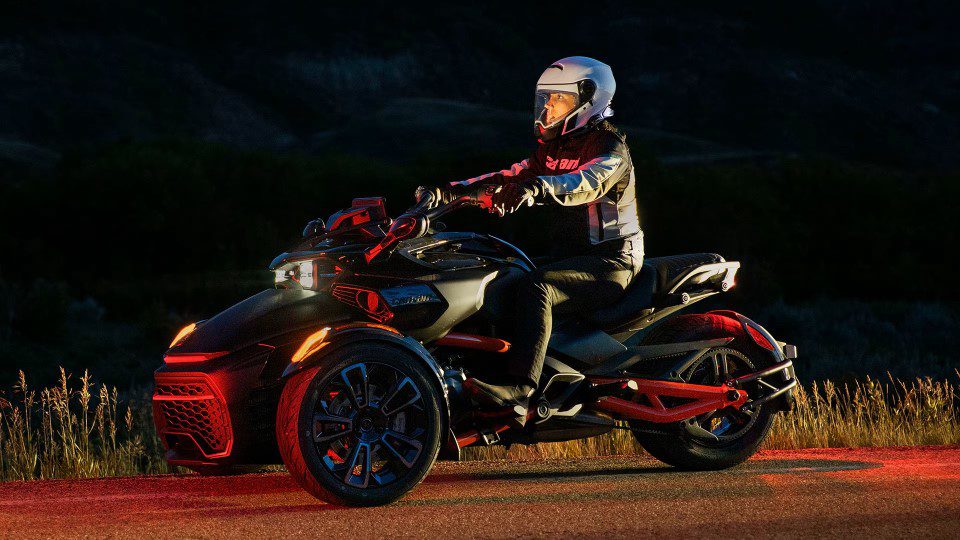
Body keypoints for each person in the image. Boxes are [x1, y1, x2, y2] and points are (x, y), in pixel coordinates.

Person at [416, 56, 644, 409]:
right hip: (569, 255)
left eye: (560, 99)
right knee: (501, 273)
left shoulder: (610, 148)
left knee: (538, 287)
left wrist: (537, 188)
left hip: (611, 261)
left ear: (589, 99)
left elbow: (586, 182)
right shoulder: (554, 149)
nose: (549, 107)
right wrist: (449, 192)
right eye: (546, 98)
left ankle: (521, 390)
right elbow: (511, 175)